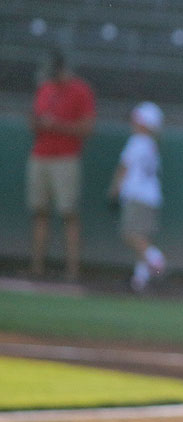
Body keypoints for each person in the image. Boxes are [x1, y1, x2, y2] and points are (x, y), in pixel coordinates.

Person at [26, 50, 96, 281]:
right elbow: (33, 121)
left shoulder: (80, 90)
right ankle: (37, 268)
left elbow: (87, 128)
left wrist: (57, 124)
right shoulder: (45, 88)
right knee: (39, 212)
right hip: (41, 155)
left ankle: (72, 271)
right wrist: (39, 122)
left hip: (66, 157)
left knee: (69, 214)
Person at [107, 102, 167, 292]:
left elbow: (124, 168)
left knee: (131, 235)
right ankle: (139, 281)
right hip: (150, 196)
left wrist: (114, 190)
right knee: (142, 237)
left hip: (138, 196)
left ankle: (157, 261)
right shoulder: (150, 145)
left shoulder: (138, 141)